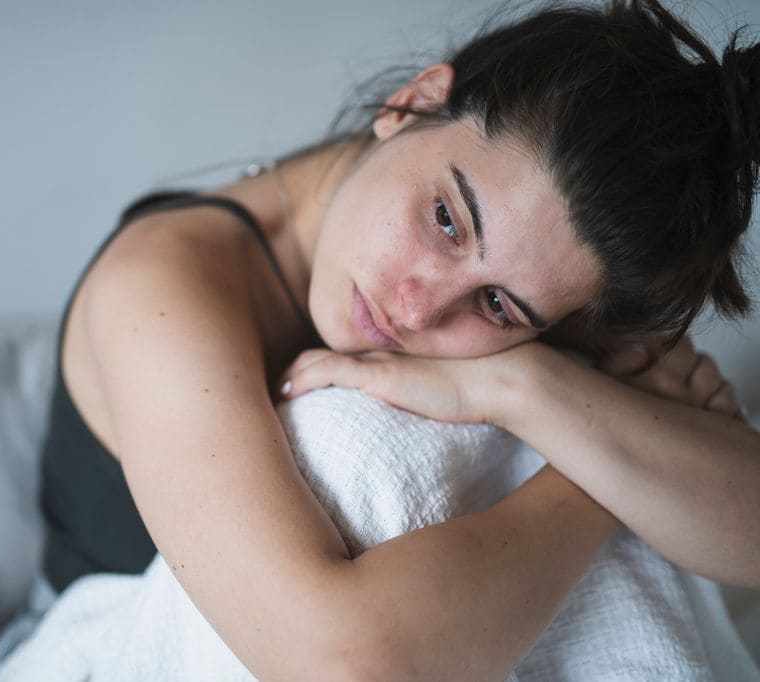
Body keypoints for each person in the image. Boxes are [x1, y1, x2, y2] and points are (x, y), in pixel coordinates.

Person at [37, 0, 760, 678]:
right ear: (410, 104)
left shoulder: (551, 283)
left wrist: (518, 387)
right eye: (447, 219)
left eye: (497, 305)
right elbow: (340, 661)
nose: (419, 309)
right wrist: (596, 482)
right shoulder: (163, 283)